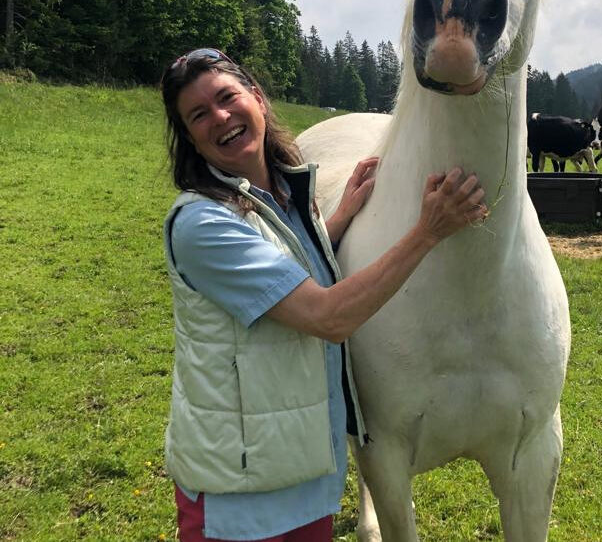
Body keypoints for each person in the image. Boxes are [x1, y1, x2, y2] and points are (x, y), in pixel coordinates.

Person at [159, 48, 488, 542]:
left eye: (227, 98)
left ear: (258, 99)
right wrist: (428, 231)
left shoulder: (277, 199)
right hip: (238, 499)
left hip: (298, 474)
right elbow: (326, 315)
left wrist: (334, 221)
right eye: (199, 115)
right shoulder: (204, 224)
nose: (220, 117)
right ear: (189, 138)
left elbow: (285, 273)